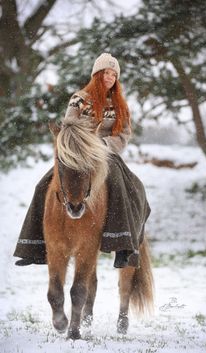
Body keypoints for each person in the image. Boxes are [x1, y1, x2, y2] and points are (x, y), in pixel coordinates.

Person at [14, 53, 150, 268]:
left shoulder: (121, 105)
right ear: (97, 74)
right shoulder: (79, 98)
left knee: (122, 184)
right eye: (107, 72)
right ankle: (33, 247)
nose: (110, 77)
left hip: (105, 154)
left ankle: (124, 246)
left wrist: (102, 145)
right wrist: (79, 144)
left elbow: (124, 136)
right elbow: (68, 126)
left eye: (114, 74)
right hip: (77, 152)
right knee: (43, 185)